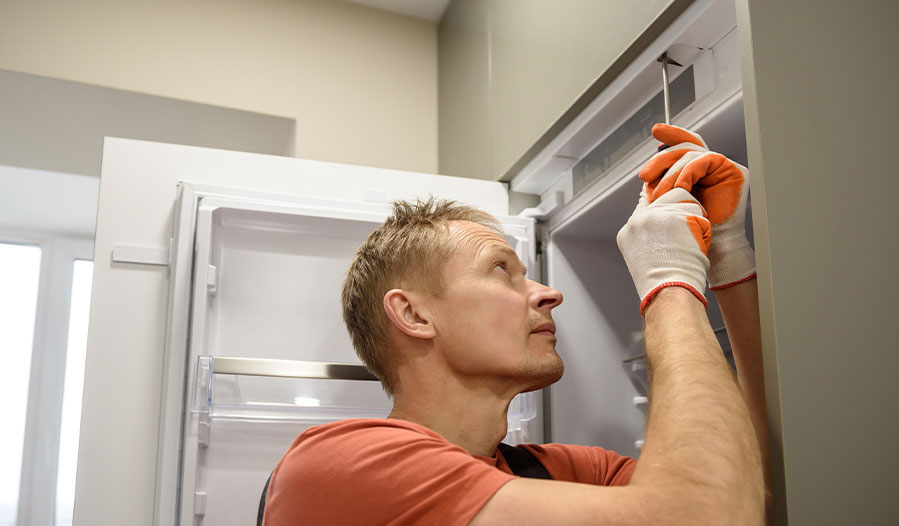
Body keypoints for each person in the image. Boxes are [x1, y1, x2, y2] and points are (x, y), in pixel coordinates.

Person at [262, 124, 770, 525]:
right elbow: (704, 517)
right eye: (501, 270)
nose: (549, 293)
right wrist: (668, 280)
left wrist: (727, 259)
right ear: (414, 315)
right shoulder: (346, 463)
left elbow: (751, 493)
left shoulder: (570, 472)